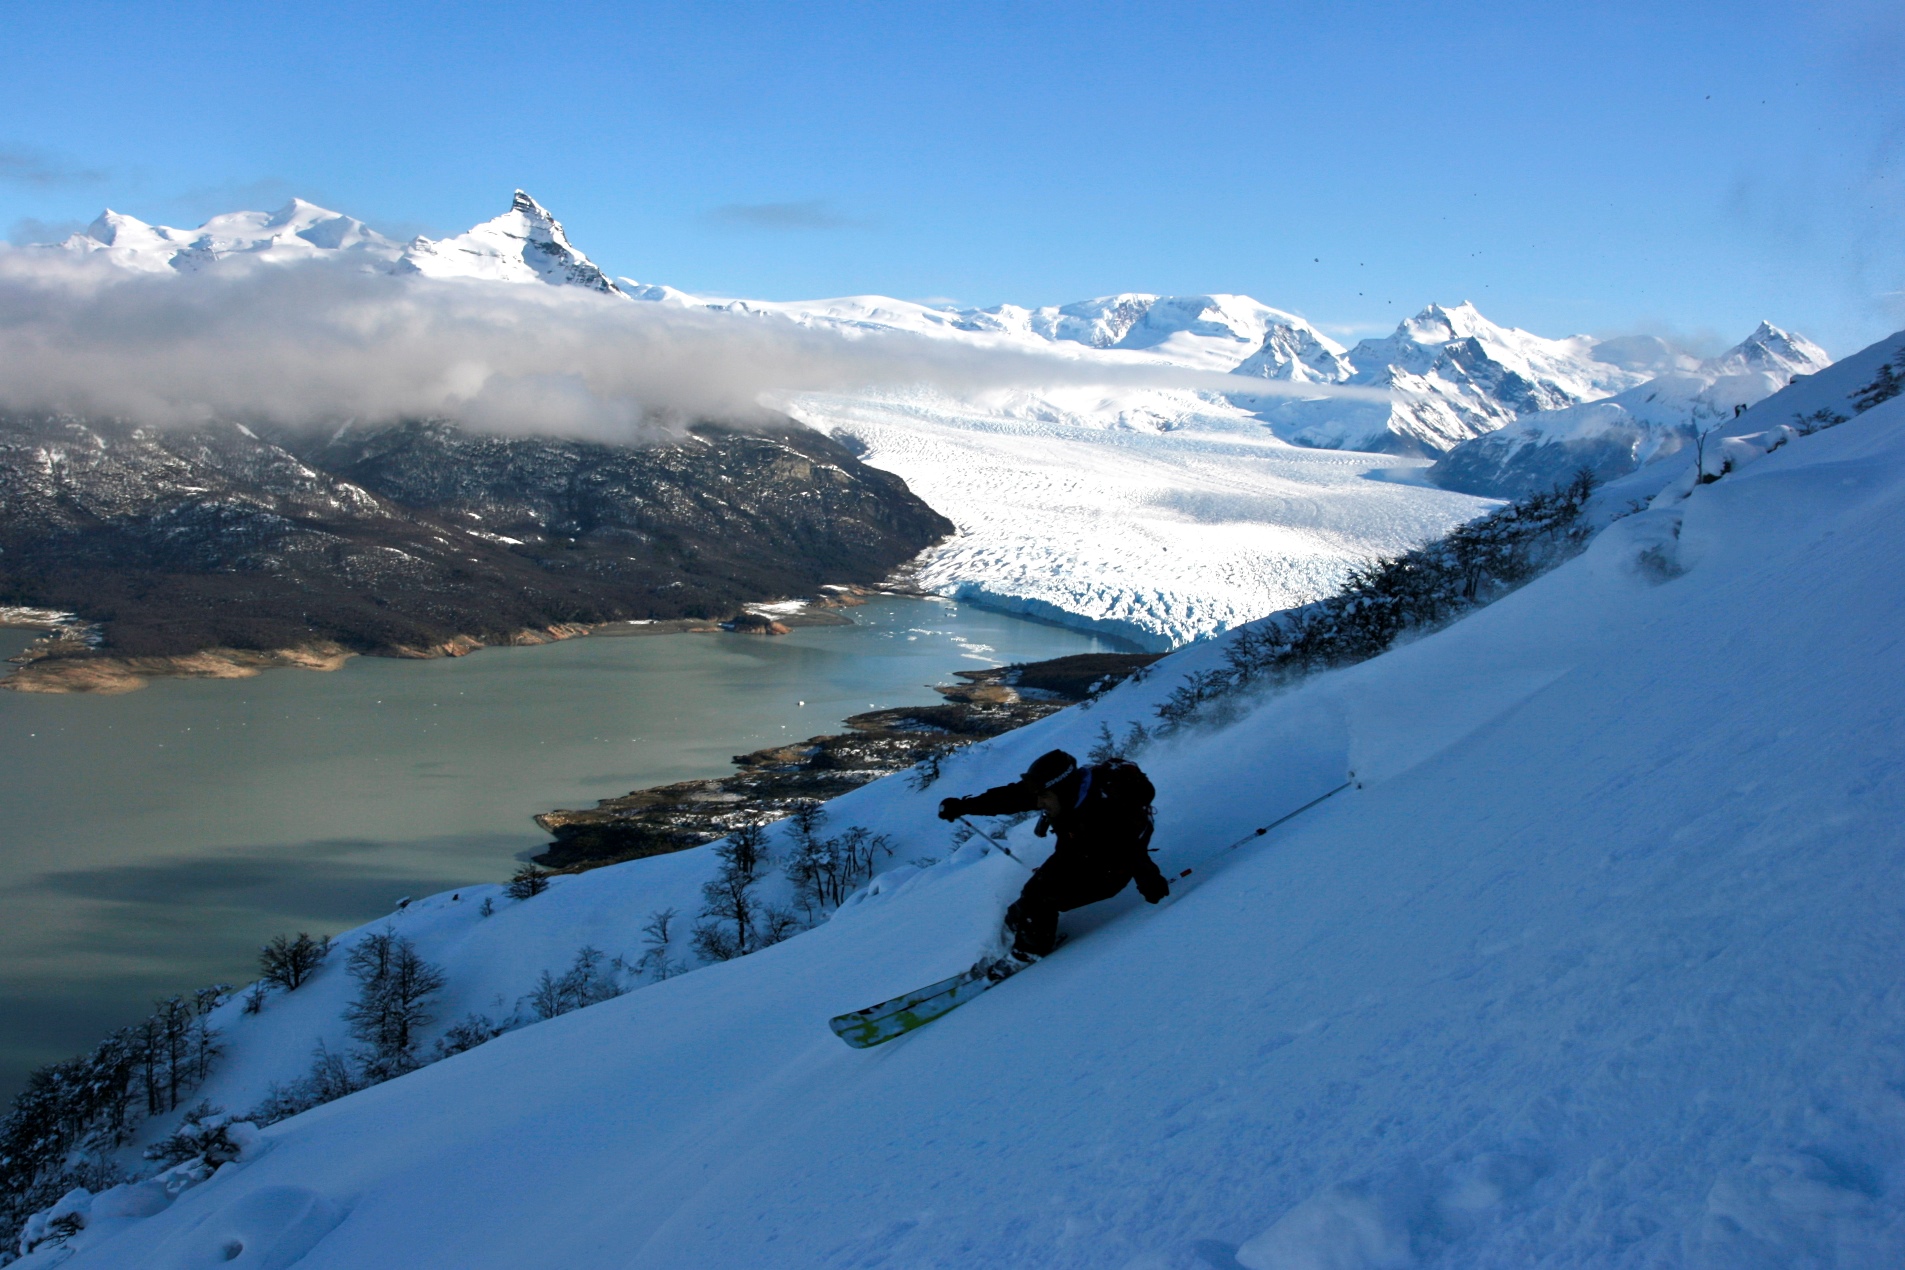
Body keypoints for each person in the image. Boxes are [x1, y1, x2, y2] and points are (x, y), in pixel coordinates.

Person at [938, 748, 1168, 960]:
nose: (1039, 802)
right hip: (1076, 853)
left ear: (1062, 791)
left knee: (1041, 900)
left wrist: (1149, 879)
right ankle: (1004, 948)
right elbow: (1013, 797)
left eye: (1043, 797)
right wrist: (965, 806)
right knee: (1024, 902)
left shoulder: (1104, 812)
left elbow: (1130, 848)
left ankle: (1029, 954)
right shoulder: (1057, 792)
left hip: (1109, 870)